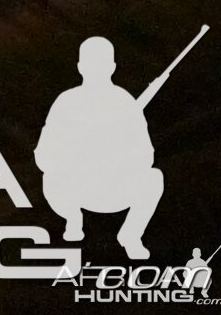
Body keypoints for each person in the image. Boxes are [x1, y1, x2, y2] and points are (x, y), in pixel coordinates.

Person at [41, 36, 167, 258]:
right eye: (91, 64)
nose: (95, 70)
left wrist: (118, 155)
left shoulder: (125, 101)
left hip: (115, 187)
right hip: (76, 188)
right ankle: (72, 219)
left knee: (153, 178)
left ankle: (131, 235)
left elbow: (146, 155)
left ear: (112, 67)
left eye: (100, 64)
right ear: (80, 67)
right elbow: (44, 154)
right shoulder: (66, 101)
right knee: (50, 179)